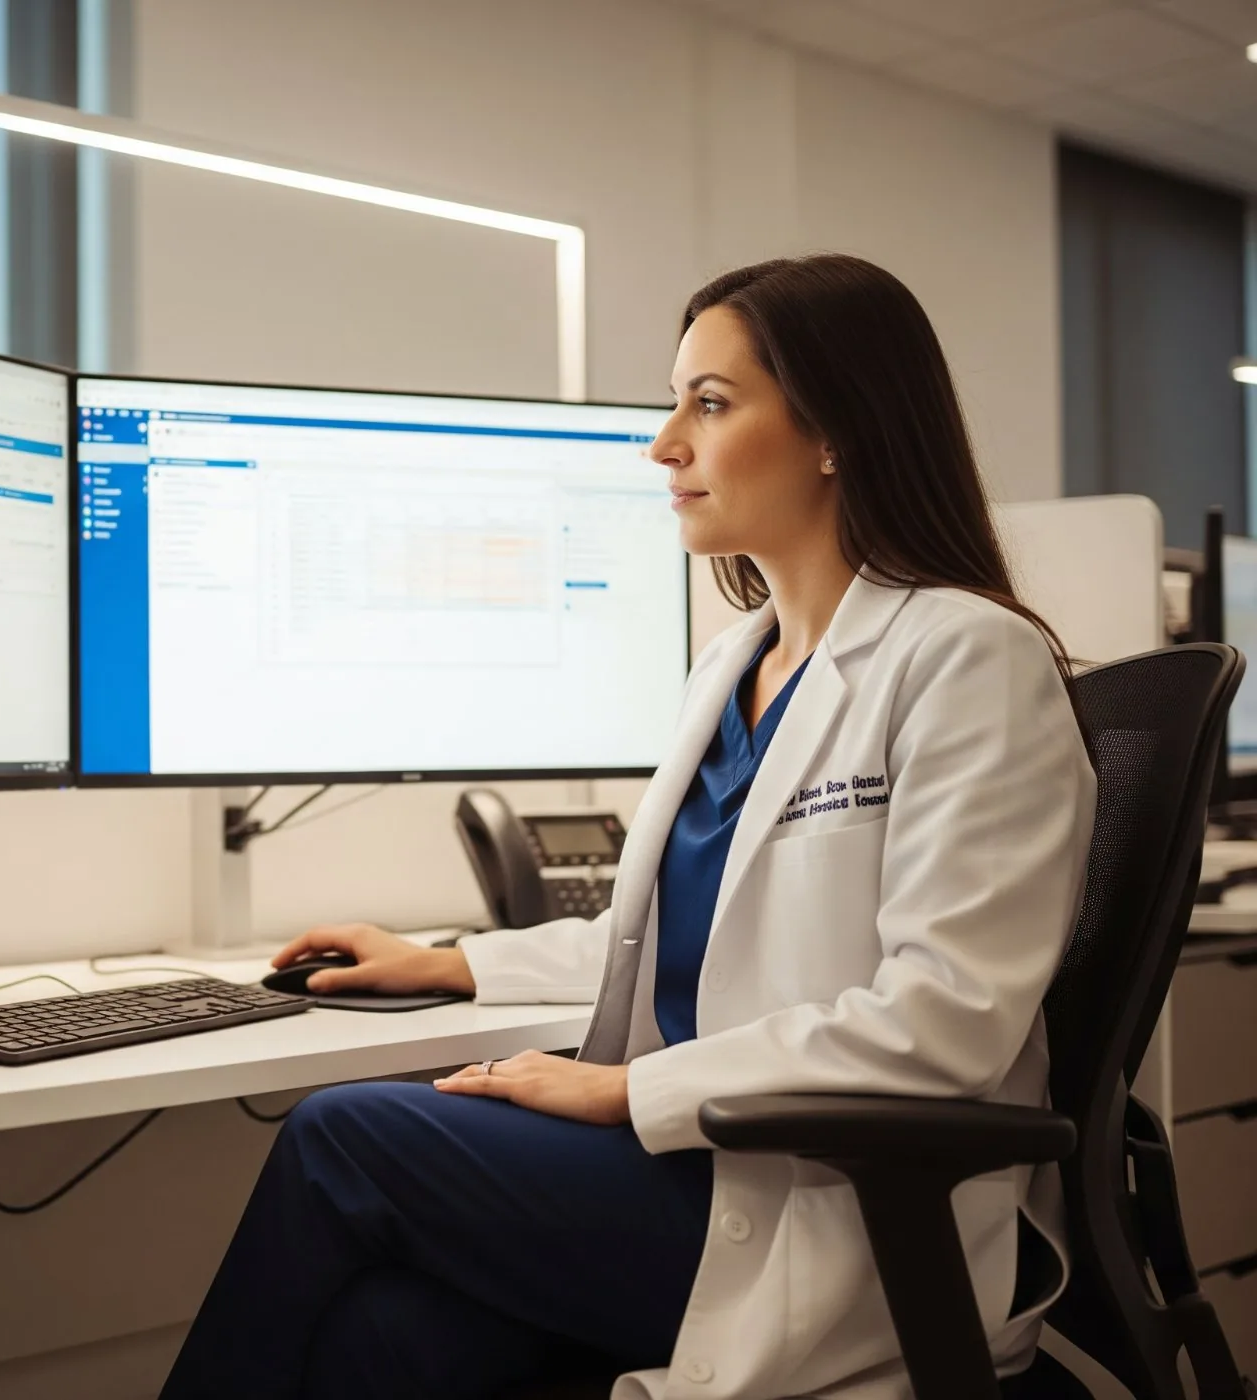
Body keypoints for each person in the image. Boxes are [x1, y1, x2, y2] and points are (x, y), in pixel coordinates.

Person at [157, 254, 1097, 1400]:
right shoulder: (731, 667)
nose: (663, 445)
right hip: (709, 1168)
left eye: (708, 403)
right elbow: (651, 937)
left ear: (832, 431)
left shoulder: (963, 657)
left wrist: (619, 1091)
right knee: (387, 1332)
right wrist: (444, 961)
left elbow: (944, 1018)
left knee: (338, 1136)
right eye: (674, 403)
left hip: (839, 1215)